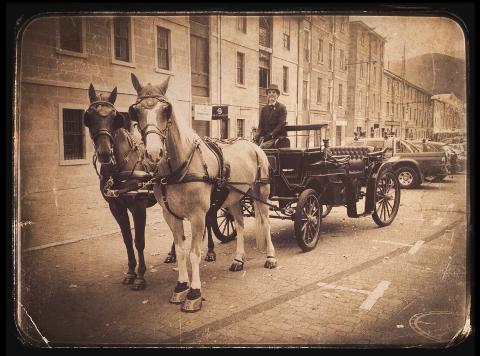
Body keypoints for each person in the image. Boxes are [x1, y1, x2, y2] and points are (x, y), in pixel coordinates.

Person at [254, 84, 289, 149]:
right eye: (269, 92)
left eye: (273, 92)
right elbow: (260, 125)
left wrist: (271, 135)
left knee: (261, 148)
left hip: (277, 137)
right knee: (252, 147)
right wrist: (257, 136)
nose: (271, 94)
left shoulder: (282, 108)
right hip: (265, 137)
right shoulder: (264, 109)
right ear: (267, 95)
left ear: (277, 95)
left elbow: (280, 125)